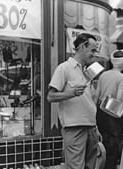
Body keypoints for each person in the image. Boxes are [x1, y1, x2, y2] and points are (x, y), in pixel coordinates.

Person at [47, 33, 101, 169]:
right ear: (82, 47)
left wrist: (95, 127)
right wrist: (71, 93)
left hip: (90, 127)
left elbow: (88, 101)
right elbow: (50, 96)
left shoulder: (86, 71)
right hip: (74, 128)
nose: (94, 54)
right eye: (93, 50)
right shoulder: (64, 68)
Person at [95, 49, 123, 169]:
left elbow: (96, 95)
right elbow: (118, 100)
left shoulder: (103, 74)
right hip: (113, 114)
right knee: (113, 149)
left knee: (101, 145)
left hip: (100, 112)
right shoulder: (122, 77)